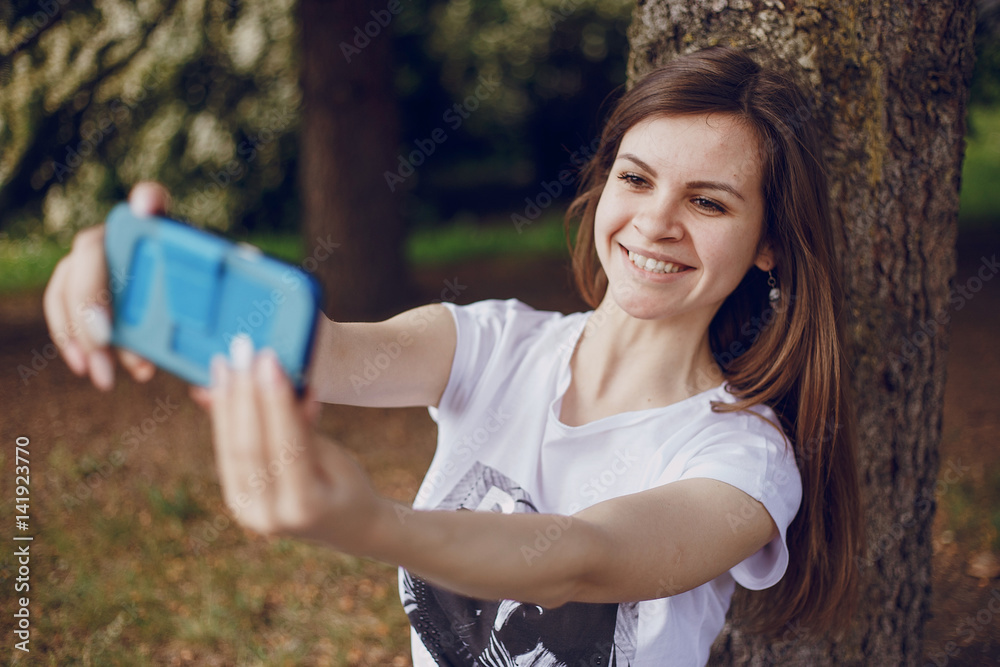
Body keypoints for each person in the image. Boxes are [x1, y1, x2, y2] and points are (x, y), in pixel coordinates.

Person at [44, 46, 861, 666]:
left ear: (769, 244)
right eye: (637, 179)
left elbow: (578, 559)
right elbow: (315, 347)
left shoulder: (744, 459)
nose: (655, 222)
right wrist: (130, 266)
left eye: (708, 201)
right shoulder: (492, 343)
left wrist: (372, 524)